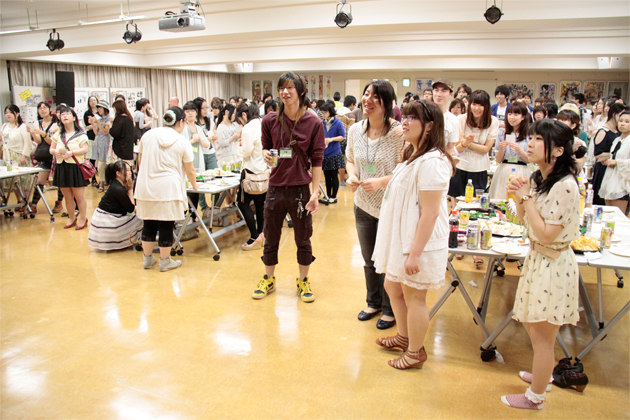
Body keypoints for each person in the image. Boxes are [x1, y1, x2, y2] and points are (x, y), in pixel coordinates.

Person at [502, 119, 586, 410]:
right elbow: (525, 220)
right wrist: (520, 197)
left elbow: (547, 234)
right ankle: (542, 373)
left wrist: (525, 196)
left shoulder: (565, 186)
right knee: (531, 323)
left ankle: (535, 396)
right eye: (532, 137)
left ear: (559, 150)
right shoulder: (540, 177)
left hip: (553, 262)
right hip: (539, 259)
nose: (531, 143)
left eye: (539, 139)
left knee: (542, 338)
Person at [373, 100, 455, 369]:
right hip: (403, 237)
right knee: (392, 286)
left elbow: (430, 213)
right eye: (404, 116)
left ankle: (415, 352)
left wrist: (415, 254)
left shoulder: (433, 161)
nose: (404, 122)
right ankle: (404, 336)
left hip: (419, 242)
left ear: (430, 126)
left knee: (415, 297)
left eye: (412, 118)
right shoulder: (415, 154)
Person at [252, 72, 325, 302]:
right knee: (270, 236)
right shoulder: (269, 120)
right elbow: (266, 147)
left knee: (303, 238)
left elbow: (317, 159)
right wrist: (265, 153)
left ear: (301, 91)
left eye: (290, 87)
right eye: (281, 88)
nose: (285, 92)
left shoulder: (313, 122)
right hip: (275, 188)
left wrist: (315, 192)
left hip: (301, 189)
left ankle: (303, 280)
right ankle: (268, 278)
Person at [346, 80, 405, 329]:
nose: (367, 100)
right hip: (363, 204)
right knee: (369, 258)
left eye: (375, 97)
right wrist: (351, 176)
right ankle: (373, 302)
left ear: (387, 103)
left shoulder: (398, 133)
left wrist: (381, 182)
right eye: (366, 94)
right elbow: (350, 159)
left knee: (388, 260)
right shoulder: (355, 130)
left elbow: (405, 169)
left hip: (390, 206)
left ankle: (390, 309)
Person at [135, 107, 199, 272]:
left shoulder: (148, 135)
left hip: (146, 186)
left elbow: (140, 162)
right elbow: (190, 170)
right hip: (168, 188)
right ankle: (165, 261)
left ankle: (147, 259)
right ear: (181, 122)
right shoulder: (182, 141)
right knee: (166, 224)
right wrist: (195, 186)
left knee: (148, 222)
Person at [49, 105, 90, 230]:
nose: (65, 116)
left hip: (75, 167)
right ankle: (71, 217)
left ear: (74, 117)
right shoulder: (58, 134)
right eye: (62, 114)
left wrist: (72, 153)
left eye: (67, 114)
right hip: (62, 166)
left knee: (79, 197)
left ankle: (83, 218)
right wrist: (55, 152)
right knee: (67, 197)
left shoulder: (80, 134)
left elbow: (85, 149)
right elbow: (51, 149)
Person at [88, 161, 143, 250]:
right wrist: (130, 190)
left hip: (104, 220)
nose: (130, 173)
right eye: (127, 170)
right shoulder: (118, 188)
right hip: (107, 222)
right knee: (140, 217)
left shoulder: (116, 184)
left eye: (130, 170)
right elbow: (131, 209)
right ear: (118, 173)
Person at [236, 102, 268, 250]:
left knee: (242, 203)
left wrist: (238, 147)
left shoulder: (248, 127)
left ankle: (254, 236)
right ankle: (261, 234)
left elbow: (247, 151)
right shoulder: (263, 123)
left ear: (244, 115)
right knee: (260, 204)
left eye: (240, 120)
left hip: (250, 171)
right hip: (262, 170)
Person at [489, 102, 531, 200]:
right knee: (501, 199)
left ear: (523, 117)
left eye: (516, 114)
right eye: (510, 114)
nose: (512, 117)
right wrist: (501, 149)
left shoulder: (528, 134)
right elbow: (498, 160)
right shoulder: (501, 133)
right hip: (504, 169)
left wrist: (520, 150)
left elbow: (529, 160)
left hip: (521, 170)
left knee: (519, 200)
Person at [2, 105, 34, 215]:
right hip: (8, 156)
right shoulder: (4, 126)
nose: (8, 115)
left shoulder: (22, 126)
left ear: (17, 114)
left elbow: (27, 143)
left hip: (20, 155)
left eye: (10, 112)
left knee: (24, 180)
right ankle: (19, 201)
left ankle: (27, 202)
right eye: (6, 113)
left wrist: (24, 155)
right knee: (14, 180)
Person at [591, 102, 625, 204]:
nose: (622, 121)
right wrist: (614, 154)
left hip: (613, 170)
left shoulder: (618, 132)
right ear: (614, 115)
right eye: (621, 117)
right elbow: (597, 155)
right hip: (603, 169)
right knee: (600, 201)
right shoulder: (603, 131)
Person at [29, 102, 59, 213]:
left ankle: (59, 202)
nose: (42, 110)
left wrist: (43, 134)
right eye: (40, 108)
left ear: (50, 109)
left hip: (56, 155)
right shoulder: (37, 123)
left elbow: (52, 142)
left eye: (45, 107)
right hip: (45, 156)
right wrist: (32, 133)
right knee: (40, 181)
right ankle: (33, 205)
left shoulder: (56, 123)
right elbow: (39, 142)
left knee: (59, 181)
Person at [599, 110, 630, 213]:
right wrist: (608, 161)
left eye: (627, 121)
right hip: (610, 180)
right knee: (608, 215)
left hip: (622, 184)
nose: (622, 124)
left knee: (618, 216)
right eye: (621, 121)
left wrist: (617, 162)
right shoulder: (617, 140)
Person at [320, 102, 346, 204]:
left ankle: (333, 197)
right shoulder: (322, 122)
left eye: (325, 112)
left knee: (334, 175)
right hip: (325, 152)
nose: (323, 114)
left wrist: (331, 139)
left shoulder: (337, 122)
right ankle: (327, 195)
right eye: (322, 112)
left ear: (330, 112)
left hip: (335, 152)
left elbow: (342, 136)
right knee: (326, 176)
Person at [89, 101, 113, 193]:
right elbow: (96, 133)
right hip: (98, 142)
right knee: (100, 165)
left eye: (101, 108)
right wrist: (93, 124)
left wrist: (97, 123)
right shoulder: (100, 119)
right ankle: (102, 183)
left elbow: (105, 132)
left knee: (102, 165)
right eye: (98, 108)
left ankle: (102, 183)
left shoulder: (109, 119)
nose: (99, 109)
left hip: (105, 143)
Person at [431, 78, 459, 155]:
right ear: (432, 92)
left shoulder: (454, 120)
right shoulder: (423, 114)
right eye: (436, 90)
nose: (439, 94)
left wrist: (452, 158)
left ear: (451, 95)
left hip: (441, 159)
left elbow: (450, 148)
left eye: (444, 91)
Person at [556, 109, 588, 173]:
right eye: (558, 120)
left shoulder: (579, 143)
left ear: (573, 125)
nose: (560, 122)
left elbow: (576, 169)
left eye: (564, 120)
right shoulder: (553, 140)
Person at [83, 96, 99, 187]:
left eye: (94, 100)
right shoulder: (87, 113)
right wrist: (95, 124)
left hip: (101, 136)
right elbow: (87, 126)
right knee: (92, 158)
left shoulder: (100, 112)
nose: (93, 102)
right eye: (91, 100)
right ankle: (93, 178)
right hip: (91, 137)